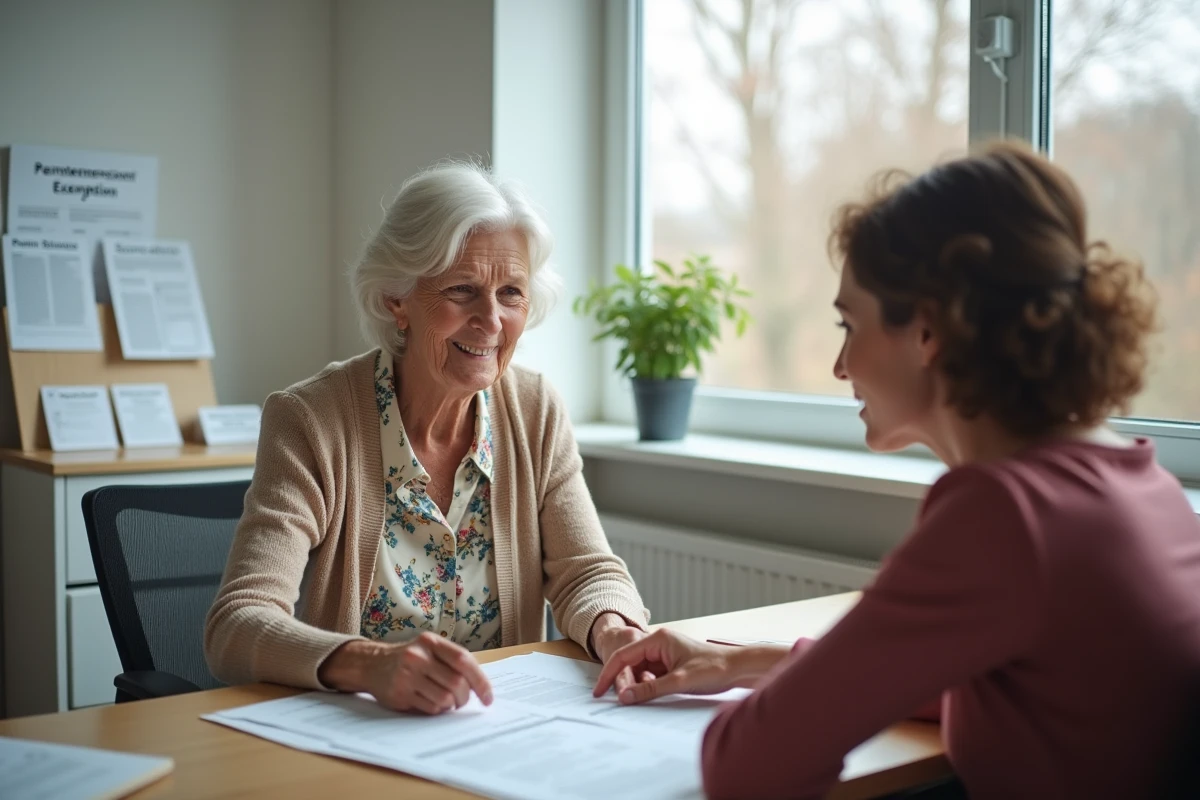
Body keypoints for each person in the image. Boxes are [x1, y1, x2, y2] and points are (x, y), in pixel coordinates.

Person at [593, 142, 1200, 799]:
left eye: (849, 324)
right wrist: (742, 662)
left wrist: (789, 696)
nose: (839, 365)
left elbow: (747, 766)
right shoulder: (1140, 483)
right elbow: (981, 687)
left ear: (929, 331)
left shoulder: (1004, 513)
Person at [206, 161, 650, 715]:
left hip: (501, 731)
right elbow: (238, 624)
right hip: (359, 735)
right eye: (463, 290)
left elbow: (586, 569)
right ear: (397, 298)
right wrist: (368, 663)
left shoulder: (535, 410)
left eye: (511, 292)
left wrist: (615, 629)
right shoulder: (312, 421)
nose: (491, 320)